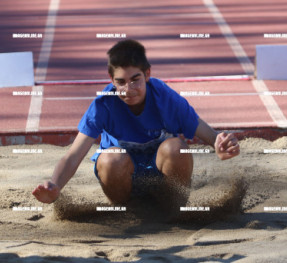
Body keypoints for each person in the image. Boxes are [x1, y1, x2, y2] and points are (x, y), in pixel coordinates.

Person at [32, 39, 240, 209]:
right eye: (121, 82)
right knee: (110, 159)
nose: (128, 89)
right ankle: (128, 210)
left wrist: (219, 145)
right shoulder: (103, 105)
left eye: (135, 80)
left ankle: (172, 207)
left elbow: (209, 135)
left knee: (177, 148)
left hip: (162, 177)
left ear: (147, 74)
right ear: (112, 80)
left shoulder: (165, 98)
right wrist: (55, 185)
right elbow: (73, 155)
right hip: (122, 179)